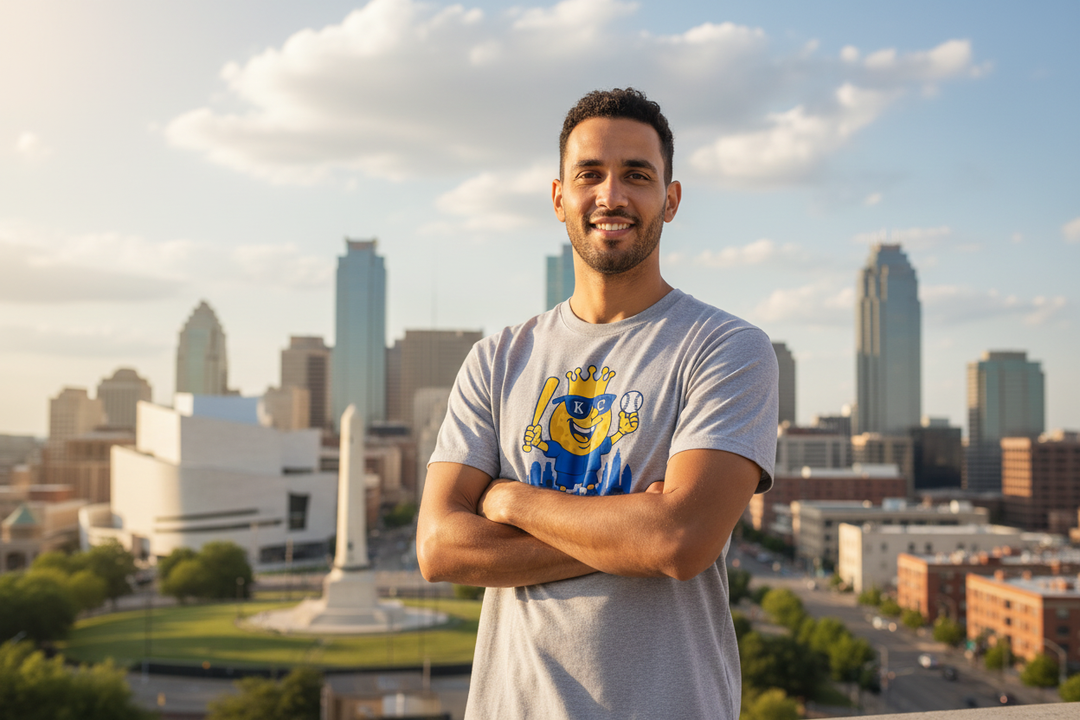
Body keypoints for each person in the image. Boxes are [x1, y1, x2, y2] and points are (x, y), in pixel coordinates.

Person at [416, 87, 778, 719]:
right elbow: (440, 547)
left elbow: (680, 542)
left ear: (671, 198)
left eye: (637, 175)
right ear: (559, 198)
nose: (612, 196)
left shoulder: (727, 348)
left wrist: (510, 501)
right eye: (590, 174)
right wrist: (632, 528)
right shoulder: (498, 359)